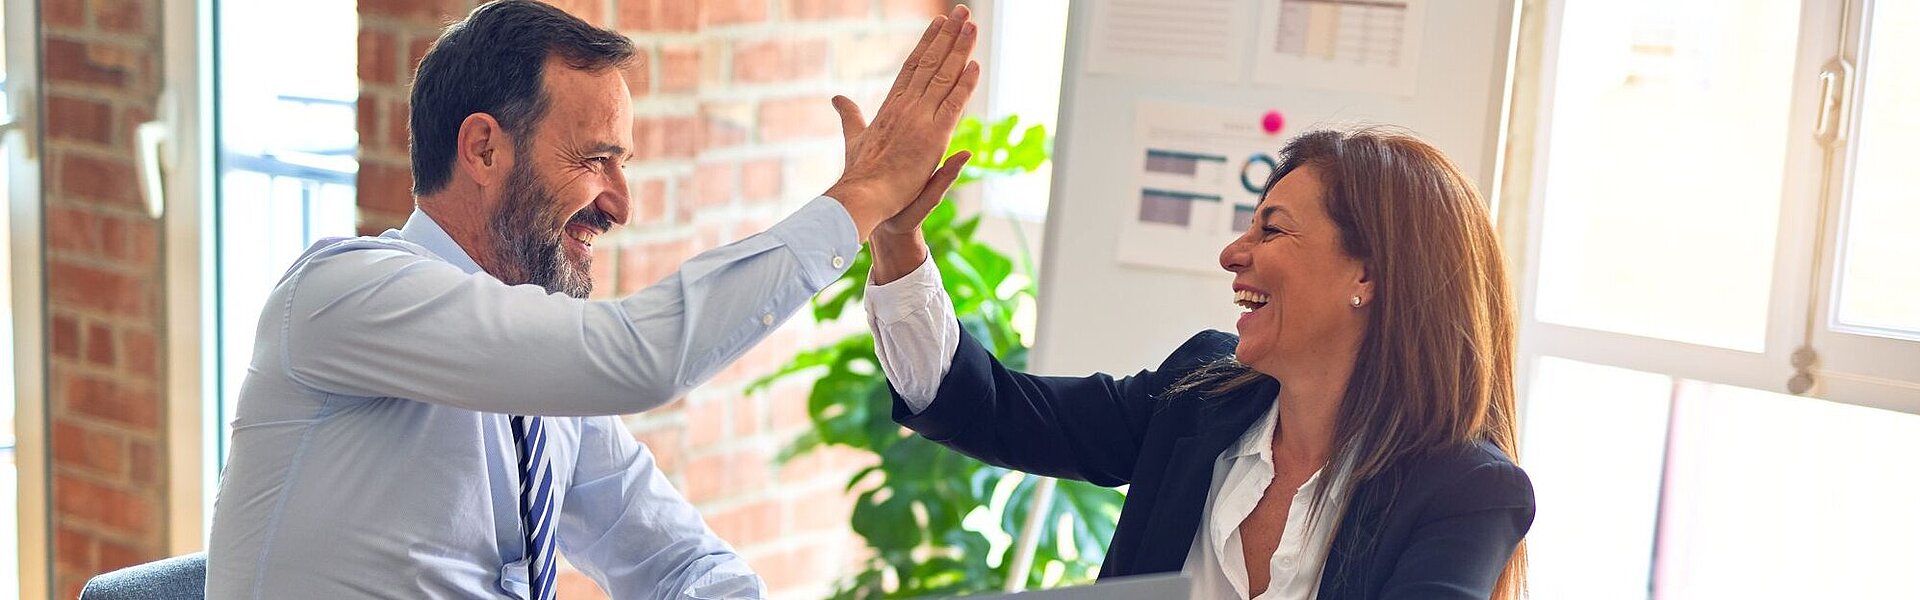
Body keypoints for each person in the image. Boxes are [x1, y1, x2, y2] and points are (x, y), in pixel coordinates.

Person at [206, 1, 982, 598]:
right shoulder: (343, 293)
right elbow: (636, 359)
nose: (620, 204)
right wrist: (861, 198)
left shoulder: (541, 387)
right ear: (483, 148)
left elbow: (679, 561)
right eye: (595, 160)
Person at [863, 127, 1533, 599]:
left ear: (1369, 273)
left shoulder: (1466, 491)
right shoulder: (1199, 393)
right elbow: (991, 410)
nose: (1233, 254)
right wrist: (898, 241)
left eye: (1270, 229)